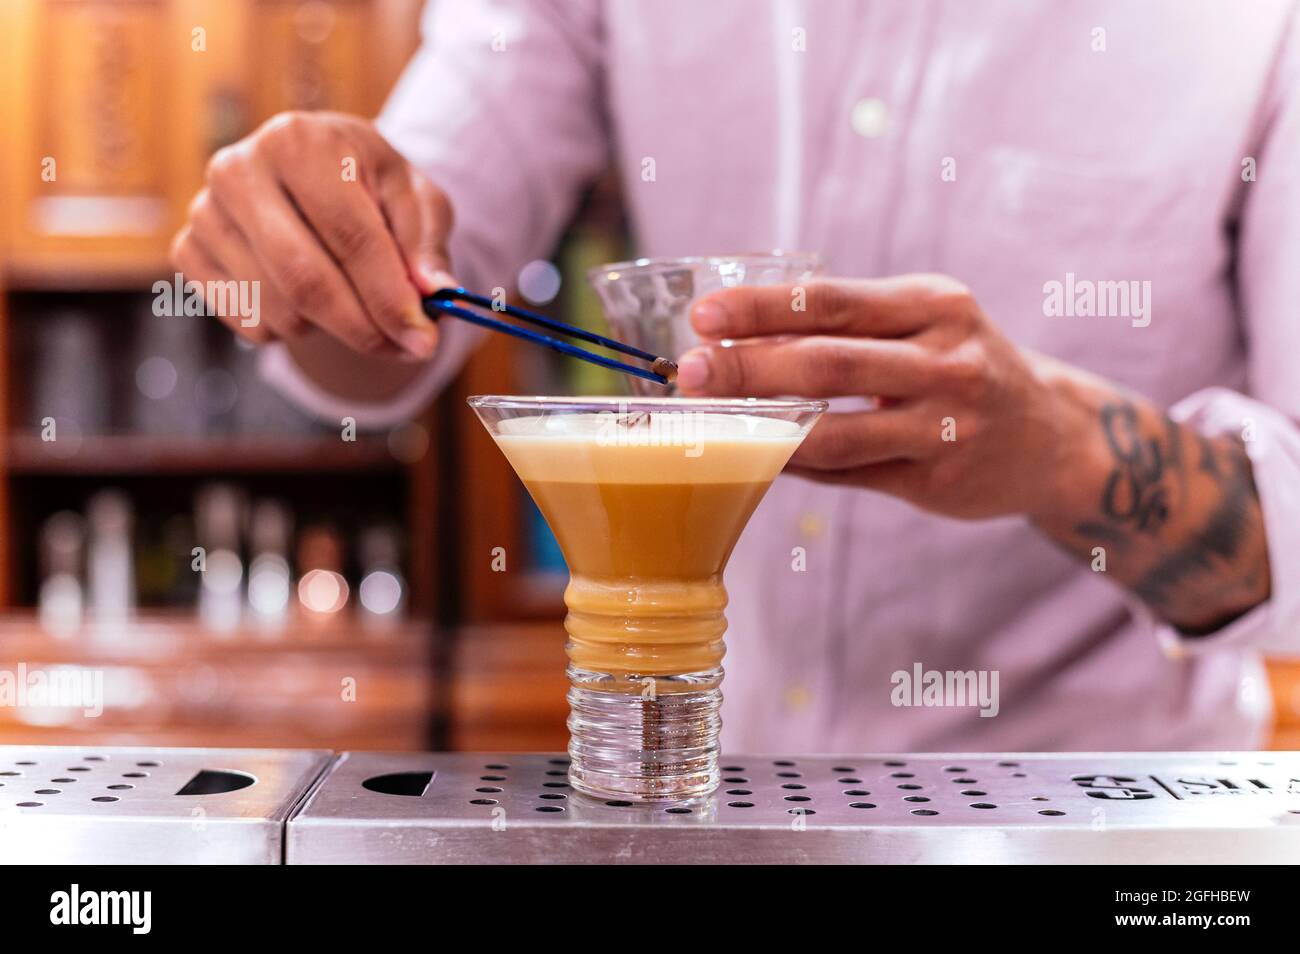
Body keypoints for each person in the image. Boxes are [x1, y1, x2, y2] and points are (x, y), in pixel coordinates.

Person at [171, 0, 1300, 752]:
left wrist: (1060, 448)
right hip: (718, 795)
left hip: (1090, 822)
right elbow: (404, 307)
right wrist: (308, 242)